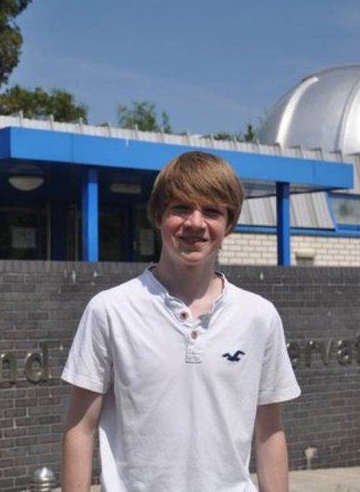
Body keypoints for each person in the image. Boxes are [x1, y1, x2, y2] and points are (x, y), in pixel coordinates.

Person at [61, 151, 300, 492]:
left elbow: (270, 433)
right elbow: (80, 430)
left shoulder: (259, 317)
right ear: (158, 215)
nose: (196, 223)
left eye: (212, 211)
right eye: (182, 208)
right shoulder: (110, 310)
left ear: (228, 224)